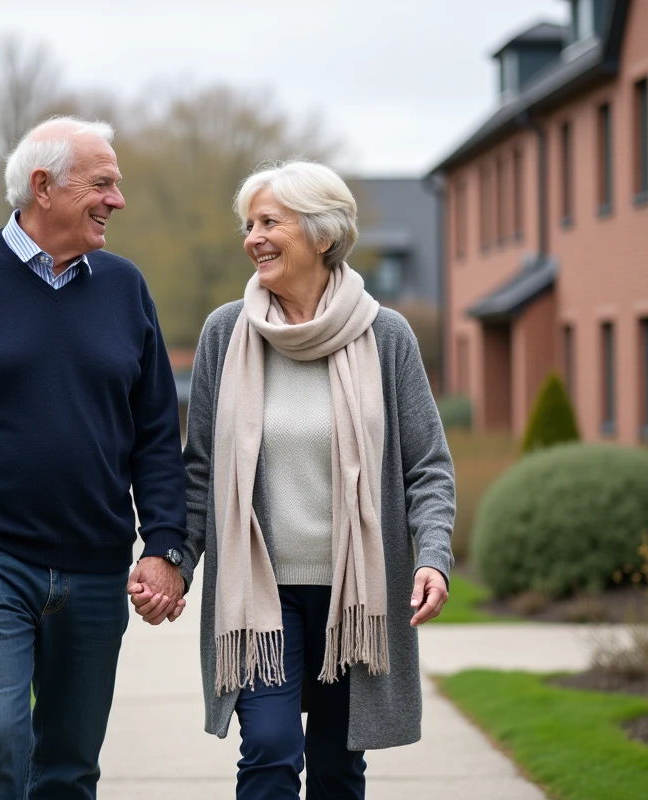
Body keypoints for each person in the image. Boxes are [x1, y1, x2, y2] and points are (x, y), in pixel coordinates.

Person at [0, 116, 189, 800]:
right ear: (43, 187)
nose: (117, 200)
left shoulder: (125, 287)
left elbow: (157, 435)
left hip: (95, 563)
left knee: (70, 767)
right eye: (102, 184)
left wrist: (166, 543)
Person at [165, 160, 456, 799]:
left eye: (270, 222)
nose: (254, 238)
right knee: (269, 750)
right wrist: (176, 563)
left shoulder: (385, 336)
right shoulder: (226, 333)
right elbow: (201, 469)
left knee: (335, 768)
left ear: (322, 234)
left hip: (353, 596)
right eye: (249, 225)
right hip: (258, 593)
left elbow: (427, 467)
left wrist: (432, 556)